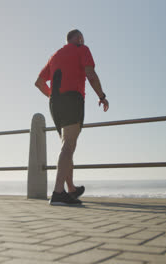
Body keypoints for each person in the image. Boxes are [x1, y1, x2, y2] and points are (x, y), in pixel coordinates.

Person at [35, 29, 109, 205]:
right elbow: (90, 74)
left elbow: (39, 82)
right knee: (69, 145)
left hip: (56, 103)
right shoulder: (82, 49)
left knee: (68, 144)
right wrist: (102, 96)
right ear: (79, 38)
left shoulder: (55, 55)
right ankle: (58, 193)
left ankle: (71, 190)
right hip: (72, 100)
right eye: (82, 37)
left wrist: (54, 96)